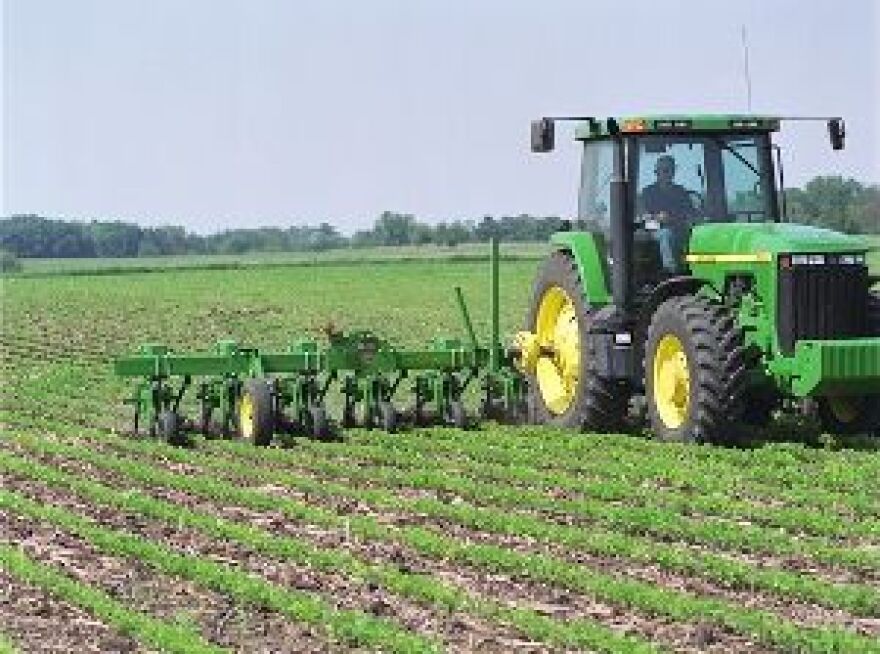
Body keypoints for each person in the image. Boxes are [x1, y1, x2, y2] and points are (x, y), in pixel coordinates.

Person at [639, 155, 696, 272]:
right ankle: (671, 271)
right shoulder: (647, 192)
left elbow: (689, 213)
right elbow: (643, 218)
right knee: (665, 234)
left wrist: (677, 220)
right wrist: (657, 218)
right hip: (652, 227)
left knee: (696, 234)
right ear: (656, 172)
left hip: (678, 227)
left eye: (670, 170)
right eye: (663, 170)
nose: (667, 173)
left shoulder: (681, 192)